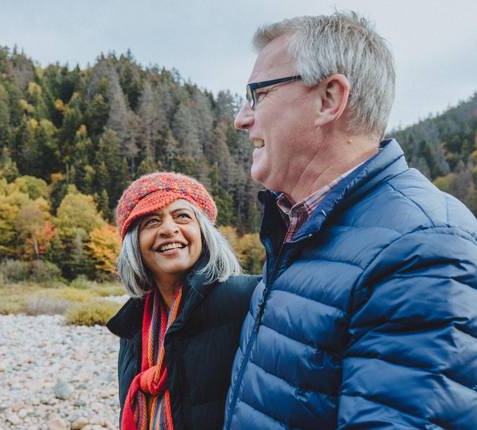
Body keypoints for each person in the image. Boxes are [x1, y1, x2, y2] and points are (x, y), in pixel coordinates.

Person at [224, 11, 477, 429]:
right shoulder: (298, 229)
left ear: (329, 100)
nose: (241, 118)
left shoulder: (425, 247)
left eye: (258, 94)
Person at [106, 172, 260, 430]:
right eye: (152, 222)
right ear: (134, 245)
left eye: (183, 216)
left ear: (203, 232)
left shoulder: (248, 299)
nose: (168, 229)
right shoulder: (132, 327)